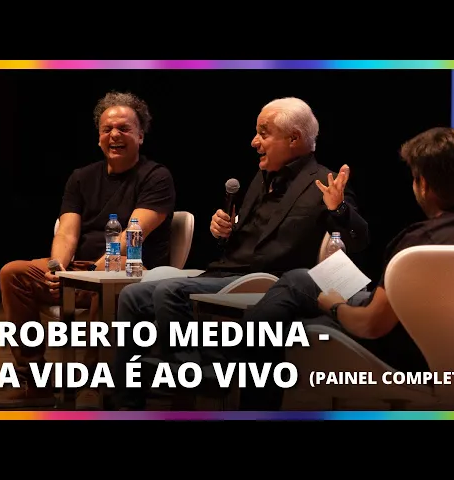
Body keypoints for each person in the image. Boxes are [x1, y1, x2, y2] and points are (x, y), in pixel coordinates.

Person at [111, 96, 370, 410]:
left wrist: (339, 209)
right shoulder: (261, 179)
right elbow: (245, 243)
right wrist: (225, 233)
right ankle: (125, 404)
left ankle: (198, 387)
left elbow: (358, 241)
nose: (254, 142)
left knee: (170, 291)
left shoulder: (323, 183)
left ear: (293, 138)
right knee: (132, 295)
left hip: (269, 281)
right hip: (227, 272)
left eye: (263, 133)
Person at [237, 126, 454, 410]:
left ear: (423, 184)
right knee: (301, 279)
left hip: (399, 355)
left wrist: (335, 306)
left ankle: (241, 372)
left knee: (287, 314)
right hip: (443, 351)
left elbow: (371, 325)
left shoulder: (420, 245)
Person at [0, 91, 176, 410]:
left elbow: (133, 234)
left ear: (141, 135)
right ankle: (33, 383)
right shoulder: (81, 177)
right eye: (107, 129)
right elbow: (67, 231)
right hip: (80, 271)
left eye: (124, 128)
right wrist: (57, 269)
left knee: (108, 279)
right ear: (99, 137)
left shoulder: (156, 177)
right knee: (13, 273)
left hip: (130, 273)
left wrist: (93, 272)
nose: (114, 135)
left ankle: (93, 384)